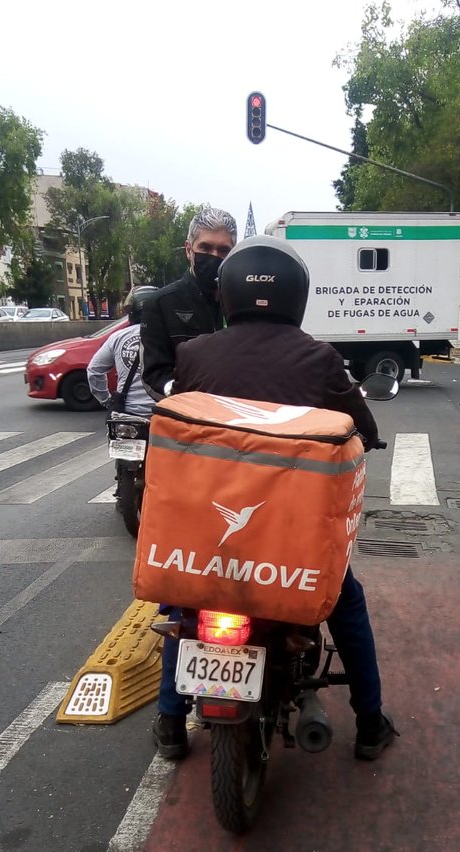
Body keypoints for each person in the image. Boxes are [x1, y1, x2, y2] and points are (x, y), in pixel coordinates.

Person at [151, 235, 396, 764]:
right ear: (296, 297)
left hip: (209, 539)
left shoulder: (192, 354)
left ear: (227, 293)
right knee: (344, 600)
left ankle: (170, 721)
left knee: (183, 596)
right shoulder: (320, 359)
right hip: (289, 545)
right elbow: (364, 426)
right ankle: (371, 722)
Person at [140, 207, 238, 401]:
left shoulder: (242, 301)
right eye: (206, 248)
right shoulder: (161, 304)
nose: (214, 256)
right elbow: (152, 375)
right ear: (188, 249)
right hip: (187, 422)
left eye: (223, 250)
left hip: (237, 419)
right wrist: (184, 397)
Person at [86, 284, 159, 419]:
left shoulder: (117, 337)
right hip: (164, 414)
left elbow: (94, 370)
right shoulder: (170, 337)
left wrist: (107, 401)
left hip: (127, 414)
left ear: (132, 311)